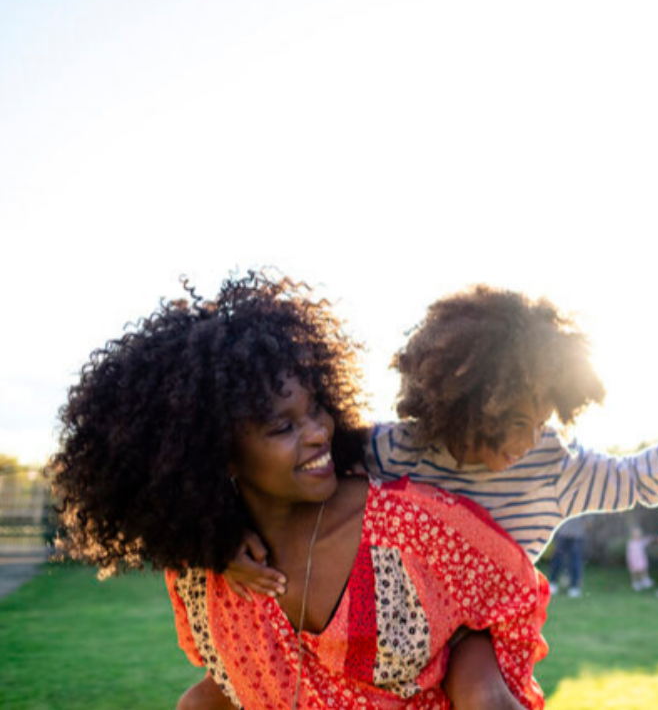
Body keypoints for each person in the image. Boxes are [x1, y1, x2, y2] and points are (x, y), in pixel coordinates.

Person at [50, 273, 548, 710]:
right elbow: (231, 683)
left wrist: (477, 678)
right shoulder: (203, 573)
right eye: (281, 427)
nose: (317, 432)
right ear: (214, 452)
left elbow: (511, 595)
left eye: (315, 408)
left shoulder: (411, 527)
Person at [228, 284, 658, 594]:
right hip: (393, 658)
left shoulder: (551, 466)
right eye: (514, 423)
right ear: (460, 406)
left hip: (486, 659)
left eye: (540, 422)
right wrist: (222, 537)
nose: (528, 439)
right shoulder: (392, 451)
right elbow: (282, 481)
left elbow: (639, 481)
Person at [547, 515, 587, 597]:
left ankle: (574, 586)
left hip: (577, 535)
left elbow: (588, 521)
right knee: (557, 560)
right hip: (562, 534)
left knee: (575, 561)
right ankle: (552, 583)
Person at [626, 524, 653, 591]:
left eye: (638, 534)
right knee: (635, 573)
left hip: (641, 560)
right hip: (633, 561)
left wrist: (650, 538)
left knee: (643, 570)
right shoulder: (631, 543)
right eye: (635, 534)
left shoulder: (641, 542)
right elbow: (628, 553)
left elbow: (646, 541)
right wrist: (629, 561)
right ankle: (635, 583)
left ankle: (645, 581)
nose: (637, 535)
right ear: (632, 535)